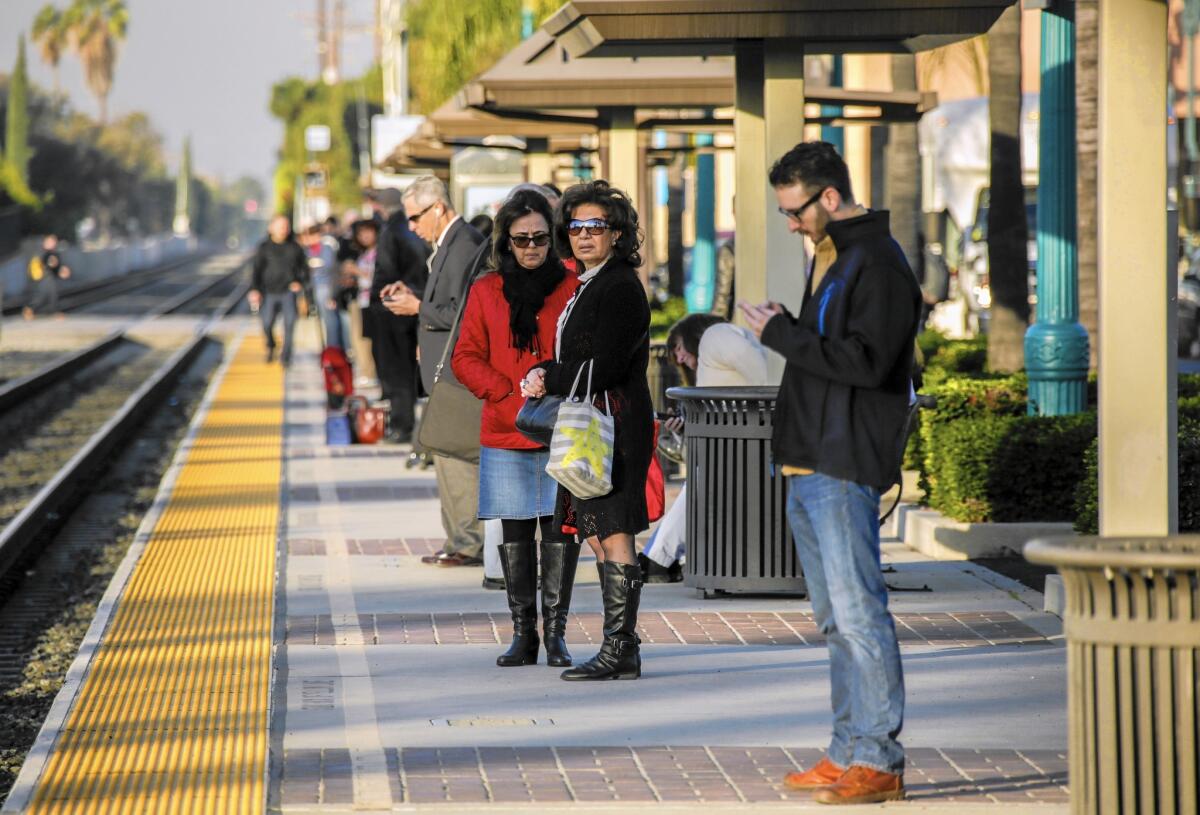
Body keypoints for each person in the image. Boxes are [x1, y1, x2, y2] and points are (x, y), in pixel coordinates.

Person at [739, 141, 920, 805]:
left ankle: (879, 756)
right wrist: (786, 329)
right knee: (834, 618)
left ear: (831, 198)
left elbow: (869, 363)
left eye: (795, 210)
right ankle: (848, 747)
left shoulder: (876, 262)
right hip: (811, 459)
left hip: (844, 462)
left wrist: (781, 334)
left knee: (858, 611)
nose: (790, 222)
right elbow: (830, 356)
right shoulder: (835, 257)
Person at [521, 180, 653, 681]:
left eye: (595, 227)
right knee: (596, 531)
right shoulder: (589, 282)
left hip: (613, 423)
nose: (583, 236)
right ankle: (623, 645)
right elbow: (582, 355)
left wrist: (550, 376)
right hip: (590, 423)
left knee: (614, 530)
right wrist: (545, 370)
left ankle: (620, 647)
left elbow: (612, 363)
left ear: (616, 234)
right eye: (575, 227)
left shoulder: (618, 286)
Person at [452, 188, 581, 666]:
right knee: (515, 533)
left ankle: (557, 634)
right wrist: (507, 392)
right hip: (507, 428)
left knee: (559, 531)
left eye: (540, 239)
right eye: (521, 239)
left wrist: (553, 382)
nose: (531, 248)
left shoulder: (571, 286)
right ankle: (524, 633)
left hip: (560, 427)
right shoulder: (487, 291)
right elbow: (465, 357)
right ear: (505, 240)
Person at [382, 176, 487, 567]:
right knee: (445, 456)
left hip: (457, 377)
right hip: (445, 374)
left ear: (438, 208)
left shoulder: (463, 247)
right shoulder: (448, 245)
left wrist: (417, 309)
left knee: (455, 456)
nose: (411, 226)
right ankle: (459, 539)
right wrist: (414, 298)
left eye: (415, 218)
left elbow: (466, 315)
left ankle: (468, 543)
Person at [638, 313, 770, 582]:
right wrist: (686, 430)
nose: (680, 359)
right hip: (737, 449)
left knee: (701, 482)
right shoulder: (716, 360)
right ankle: (658, 559)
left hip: (746, 449)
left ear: (693, 334)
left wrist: (766, 398)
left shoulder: (716, 334)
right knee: (701, 480)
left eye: (678, 348)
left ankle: (657, 559)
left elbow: (756, 365)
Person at [370, 188, 430, 443]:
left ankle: (402, 425)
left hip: (394, 308)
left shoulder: (389, 232)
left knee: (396, 371)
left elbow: (385, 271)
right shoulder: (415, 230)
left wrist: (377, 302)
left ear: (383, 207)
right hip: (419, 302)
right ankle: (412, 424)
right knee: (411, 368)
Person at [249, 215, 308, 366]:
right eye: (280, 226)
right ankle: (271, 345)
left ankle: (286, 356)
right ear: (271, 228)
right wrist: (255, 290)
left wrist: (299, 283)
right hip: (268, 292)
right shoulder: (263, 247)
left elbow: (305, 270)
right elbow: (256, 270)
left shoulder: (295, 247)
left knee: (290, 323)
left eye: (286, 226)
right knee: (267, 322)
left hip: (288, 292)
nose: (284, 229)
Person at [23, 235, 71, 320]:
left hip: (50, 278)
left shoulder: (54, 253)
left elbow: (56, 267)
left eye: (54, 242)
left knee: (53, 294)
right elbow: (47, 262)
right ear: (46, 242)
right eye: (50, 242)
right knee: (42, 296)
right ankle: (29, 309)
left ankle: (55, 312)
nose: (52, 244)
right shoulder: (42, 252)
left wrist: (61, 271)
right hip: (43, 278)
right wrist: (55, 266)